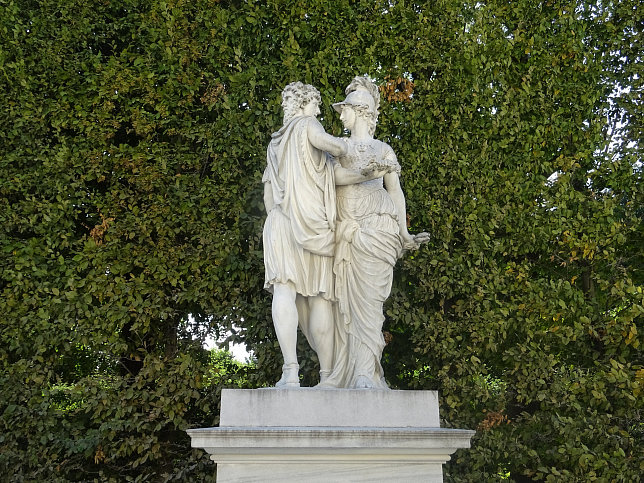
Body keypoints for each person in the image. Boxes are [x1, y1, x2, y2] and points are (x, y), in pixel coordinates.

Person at [263, 81, 382, 387]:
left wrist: (281, 215)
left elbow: (267, 195)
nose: (318, 110)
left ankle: (290, 370)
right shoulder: (307, 125)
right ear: (305, 105)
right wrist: (350, 153)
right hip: (311, 225)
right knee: (318, 298)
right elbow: (336, 150)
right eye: (316, 104)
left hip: (279, 222)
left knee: (284, 292)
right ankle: (328, 375)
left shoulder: (274, 144)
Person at [322, 77, 430, 389]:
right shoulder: (336, 147)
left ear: (360, 112)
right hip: (345, 232)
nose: (341, 115)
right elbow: (330, 180)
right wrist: (361, 174)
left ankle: (364, 374)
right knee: (341, 305)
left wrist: (405, 233)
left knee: (369, 305)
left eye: (345, 110)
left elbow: (395, 193)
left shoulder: (383, 149)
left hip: (378, 229)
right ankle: (338, 373)